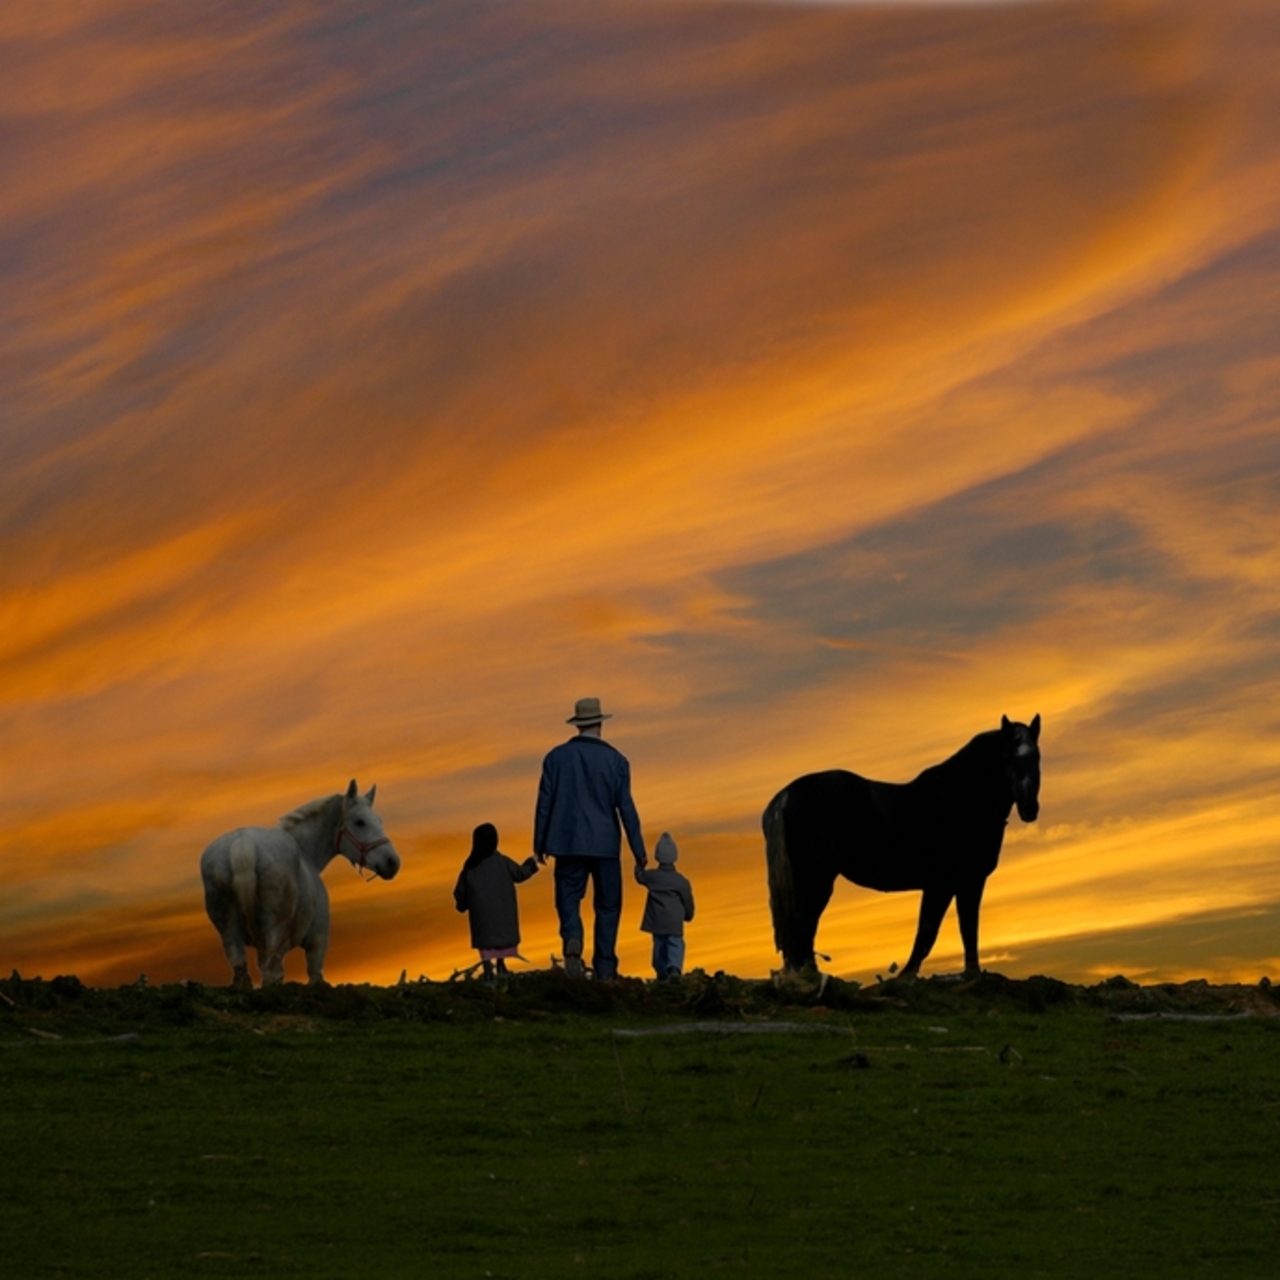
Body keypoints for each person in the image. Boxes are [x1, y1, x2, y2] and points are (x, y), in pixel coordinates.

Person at [534, 696, 647, 980]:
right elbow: (627, 808)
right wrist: (639, 850)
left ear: (577, 724)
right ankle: (605, 968)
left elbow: (544, 803)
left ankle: (572, 940)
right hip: (606, 844)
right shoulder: (617, 761)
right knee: (608, 905)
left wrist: (539, 843)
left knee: (568, 898)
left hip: (567, 841)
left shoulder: (555, 758)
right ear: (599, 723)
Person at [453, 822, 538, 982]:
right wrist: (532, 862)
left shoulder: (470, 867)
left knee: (486, 941)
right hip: (503, 912)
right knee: (502, 936)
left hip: (482, 917)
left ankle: (487, 969)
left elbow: (460, 892)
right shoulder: (502, 862)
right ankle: (501, 964)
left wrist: (461, 905)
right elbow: (520, 873)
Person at [635, 832, 695, 981]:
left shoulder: (652, 877)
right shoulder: (681, 881)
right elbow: (687, 900)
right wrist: (688, 914)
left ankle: (662, 973)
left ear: (657, 856)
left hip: (657, 921)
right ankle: (674, 968)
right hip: (674, 921)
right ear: (675, 857)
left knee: (659, 946)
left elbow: (639, 877)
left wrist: (639, 866)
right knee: (675, 944)